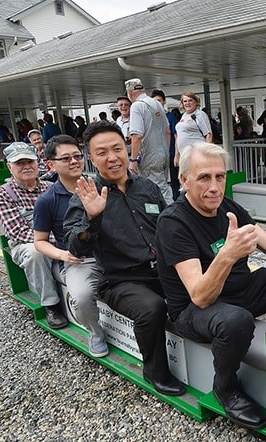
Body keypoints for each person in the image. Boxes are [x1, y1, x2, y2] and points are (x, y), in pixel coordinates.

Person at [156, 142, 266, 430]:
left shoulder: (229, 208)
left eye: (220, 177)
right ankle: (225, 388)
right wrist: (227, 254)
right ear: (184, 180)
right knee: (236, 320)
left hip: (241, 293)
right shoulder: (173, 222)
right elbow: (200, 296)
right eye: (203, 177)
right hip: (195, 311)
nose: (214, 187)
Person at [63, 120, 184, 396]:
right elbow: (75, 247)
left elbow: (169, 224)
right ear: (91, 158)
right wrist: (92, 218)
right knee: (151, 308)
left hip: (163, 269)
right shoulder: (85, 195)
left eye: (117, 148)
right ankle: (156, 372)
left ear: (127, 149)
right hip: (122, 280)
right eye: (102, 152)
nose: (112, 157)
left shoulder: (147, 187)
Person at [33, 135, 108, 358]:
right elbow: (40, 241)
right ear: (51, 164)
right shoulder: (46, 201)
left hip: (110, 254)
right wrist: (63, 255)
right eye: (66, 158)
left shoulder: (100, 184)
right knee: (82, 296)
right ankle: (96, 334)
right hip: (79, 259)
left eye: (77, 156)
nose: (74, 161)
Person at [0, 142, 67, 329]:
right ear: (10, 167)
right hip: (26, 244)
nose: (26, 166)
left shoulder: (52, 187)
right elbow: (18, 231)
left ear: (38, 163)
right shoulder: (3, 194)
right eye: (20, 163)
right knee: (36, 253)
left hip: (57, 239)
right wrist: (54, 243)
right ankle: (51, 305)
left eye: (30, 161)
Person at [125, 78, 173, 205]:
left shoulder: (136, 106)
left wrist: (133, 160)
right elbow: (168, 131)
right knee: (163, 188)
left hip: (148, 156)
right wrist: (165, 151)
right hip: (162, 153)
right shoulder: (157, 104)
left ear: (129, 93)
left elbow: (137, 136)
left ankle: (170, 220)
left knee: (152, 191)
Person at [174, 91, 212, 168]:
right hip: (184, 156)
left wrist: (206, 154)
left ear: (195, 102)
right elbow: (179, 136)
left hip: (197, 154)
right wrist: (176, 155)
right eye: (185, 101)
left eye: (190, 100)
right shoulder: (184, 115)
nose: (187, 103)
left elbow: (208, 134)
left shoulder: (200, 115)